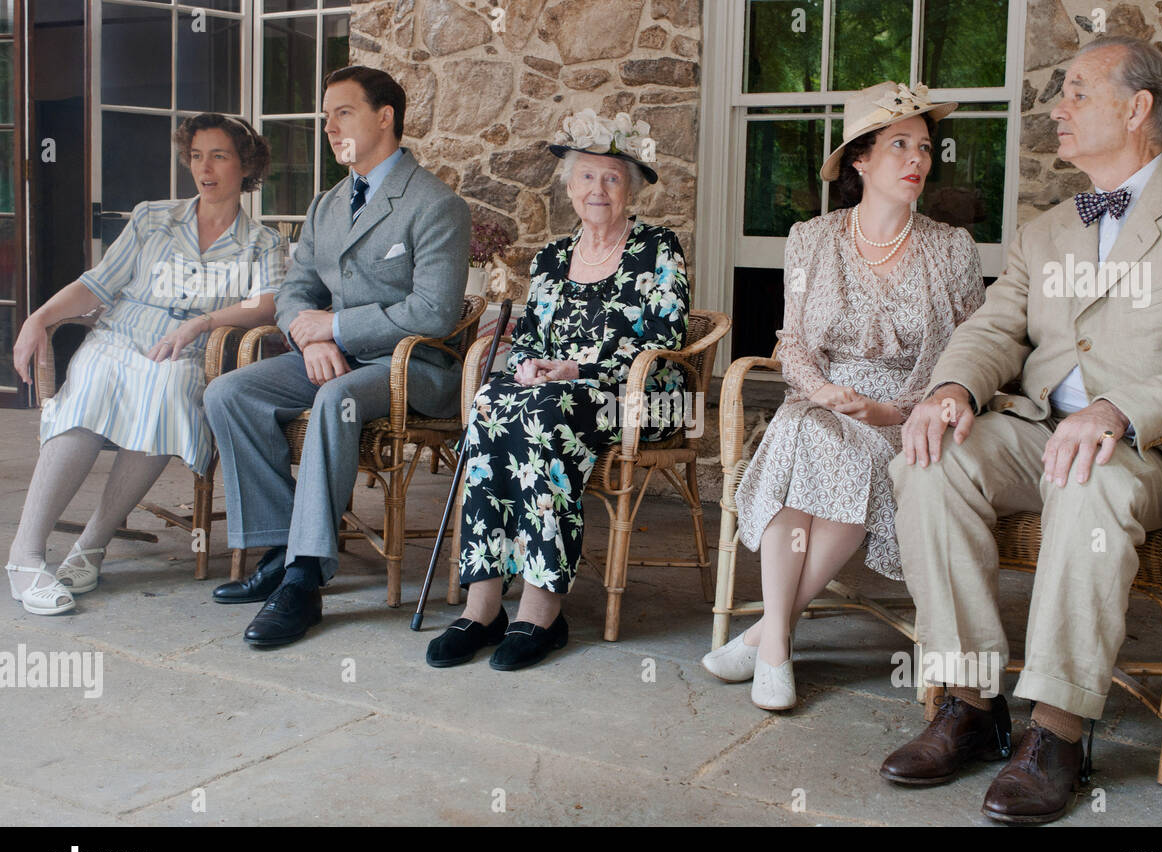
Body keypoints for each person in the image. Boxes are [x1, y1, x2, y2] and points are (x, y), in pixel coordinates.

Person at [879, 36, 1162, 824]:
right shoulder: (1046, 228)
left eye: (1075, 92)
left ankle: (1058, 731)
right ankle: (970, 701)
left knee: (1087, 477)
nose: (1054, 108)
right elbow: (995, 328)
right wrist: (954, 387)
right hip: (1036, 429)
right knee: (929, 461)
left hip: (1150, 451)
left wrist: (1120, 411)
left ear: (1136, 110)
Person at [701, 83, 985, 710]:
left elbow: (974, 355)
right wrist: (826, 391)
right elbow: (792, 340)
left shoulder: (951, 249)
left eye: (925, 148)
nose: (918, 159)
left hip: (907, 417)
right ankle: (775, 643)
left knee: (831, 446)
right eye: (899, 145)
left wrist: (893, 411)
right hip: (822, 399)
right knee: (805, 429)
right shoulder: (810, 239)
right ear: (860, 159)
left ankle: (768, 637)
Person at [203, 66, 470, 648]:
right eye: (326, 116)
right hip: (334, 357)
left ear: (384, 117)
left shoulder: (435, 203)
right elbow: (297, 289)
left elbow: (434, 313)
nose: (328, 127)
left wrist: (340, 327)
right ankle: (280, 548)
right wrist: (315, 338)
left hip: (413, 367)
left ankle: (304, 580)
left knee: (335, 399)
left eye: (341, 113)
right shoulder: (327, 205)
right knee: (229, 391)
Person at [424, 110, 689, 672]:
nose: (599, 189)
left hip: (639, 394)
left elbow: (665, 337)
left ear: (631, 190)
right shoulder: (550, 258)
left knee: (543, 414)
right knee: (493, 403)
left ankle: (542, 609)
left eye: (613, 178)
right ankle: (484, 605)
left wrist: (573, 370)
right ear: (570, 187)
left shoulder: (659, 249)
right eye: (587, 177)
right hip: (557, 393)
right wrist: (529, 368)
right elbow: (528, 341)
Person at [7, 115, 283, 615]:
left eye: (219, 155)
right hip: (121, 334)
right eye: (197, 155)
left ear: (247, 166)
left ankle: (91, 544)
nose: (205, 167)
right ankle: (25, 555)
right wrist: (39, 317)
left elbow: (266, 305)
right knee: (90, 386)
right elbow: (97, 284)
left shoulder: (263, 242)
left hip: (188, 350)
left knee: (168, 390)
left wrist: (201, 323)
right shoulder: (151, 217)